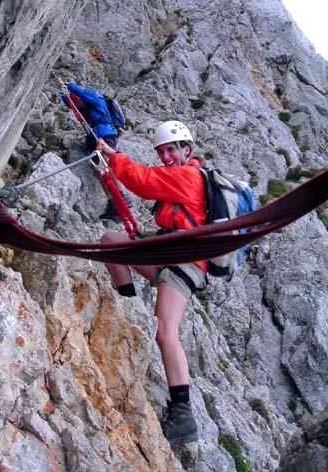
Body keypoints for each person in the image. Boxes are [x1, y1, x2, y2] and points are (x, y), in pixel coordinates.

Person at [96, 120, 207, 445]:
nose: (166, 156)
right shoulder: (180, 176)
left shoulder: (190, 176)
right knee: (110, 240)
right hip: (166, 255)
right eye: (162, 152)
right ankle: (129, 308)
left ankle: (183, 414)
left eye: (172, 149)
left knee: (165, 332)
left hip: (187, 263)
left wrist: (113, 156)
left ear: (187, 150)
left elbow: (142, 181)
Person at [55, 76, 130, 220]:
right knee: (98, 169)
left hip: (105, 134)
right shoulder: (85, 108)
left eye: (79, 101)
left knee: (107, 162)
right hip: (95, 136)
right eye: (77, 102)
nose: (78, 104)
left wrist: (68, 84)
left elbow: (81, 92)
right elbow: (70, 103)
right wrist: (61, 89)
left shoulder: (96, 98)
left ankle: (123, 195)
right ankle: (112, 202)